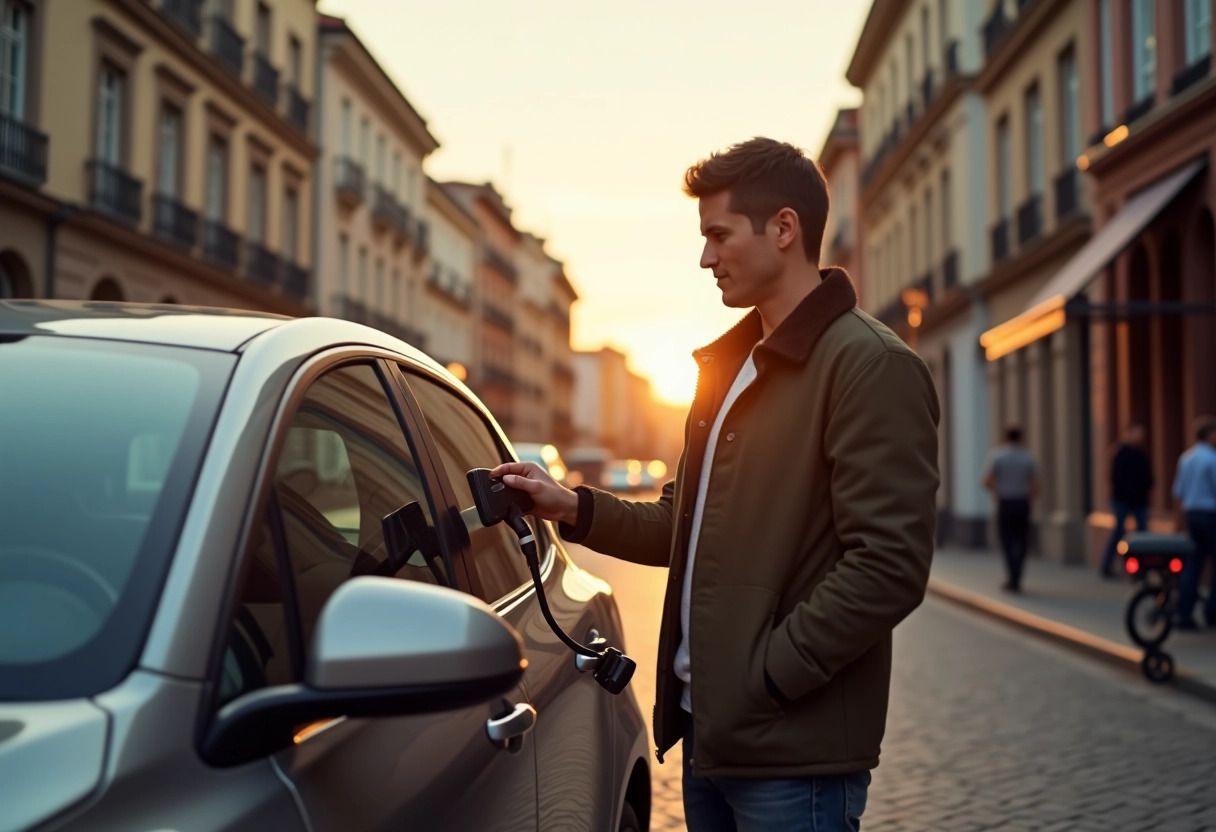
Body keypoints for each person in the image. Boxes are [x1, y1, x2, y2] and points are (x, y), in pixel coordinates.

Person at [493, 137, 940, 832]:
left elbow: (890, 565)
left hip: (794, 757)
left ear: (784, 229)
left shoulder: (870, 366)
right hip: (713, 741)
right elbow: (684, 521)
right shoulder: (729, 368)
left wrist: (765, 678)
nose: (706, 258)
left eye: (718, 235)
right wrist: (570, 506)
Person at [1171, 417, 1216, 630]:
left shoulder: (1186, 458)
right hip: (1209, 515)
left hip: (1192, 515)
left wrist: (1179, 521)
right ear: (1210, 435)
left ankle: (1184, 614)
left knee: (1193, 564)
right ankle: (1212, 611)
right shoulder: (1211, 459)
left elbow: (1178, 492)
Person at [983, 427, 1038, 593]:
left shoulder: (998, 457)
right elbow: (1035, 485)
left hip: (1005, 503)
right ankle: (1018, 577)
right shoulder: (1027, 458)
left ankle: (1011, 577)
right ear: (1020, 438)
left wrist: (998, 491)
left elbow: (986, 481)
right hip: (1022, 503)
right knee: (1021, 540)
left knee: (1006, 540)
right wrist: (1029, 499)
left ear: (1006, 438)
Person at [1100, 424, 1153, 578]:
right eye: (1137, 434)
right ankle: (1107, 565)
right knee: (1119, 531)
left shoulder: (1141, 454)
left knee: (1142, 532)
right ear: (1129, 434)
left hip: (1138, 500)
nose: (1139, 438)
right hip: (1122, 499)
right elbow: (1116, 477)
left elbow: (1147, 476)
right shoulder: (1120, 452)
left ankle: (1142, 566)